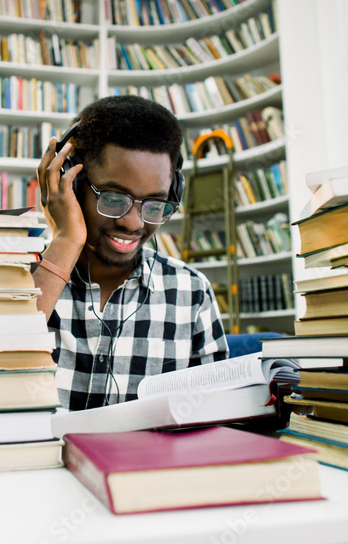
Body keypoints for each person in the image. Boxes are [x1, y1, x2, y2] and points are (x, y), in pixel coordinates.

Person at [34, 95, 228, 411]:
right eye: (112, 198)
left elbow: (216, 417)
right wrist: (66, 239)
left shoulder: (191, 293)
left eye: (154, 204)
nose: (132, 222)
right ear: (70, 183)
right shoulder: (19, 278)